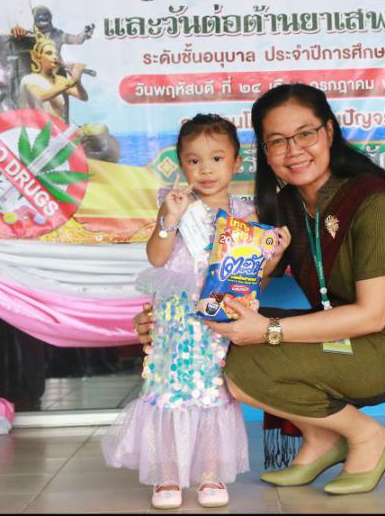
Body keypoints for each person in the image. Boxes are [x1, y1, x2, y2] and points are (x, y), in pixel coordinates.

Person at [134, 84, 385, 495]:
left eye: (305, 134)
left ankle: (368, 436)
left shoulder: (370, 199)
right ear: (264, 151)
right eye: (277, 141)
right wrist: (163, 319)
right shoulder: (289, 204)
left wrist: (268, 330)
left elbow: (373, 315)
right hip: (340, 330)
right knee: (227, 345)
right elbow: (237, 284)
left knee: (246, 368)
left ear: (329, 132)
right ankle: (321, 437)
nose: (293, 150)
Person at [101, 114, 290, 510]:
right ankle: (166, 475)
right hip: (175, 319)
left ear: (236, 163)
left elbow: (255, 276)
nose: (206, 169)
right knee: (170, 390)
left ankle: (210, 473)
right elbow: (156, 257)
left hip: (218, 318)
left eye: (217, 158)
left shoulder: (247, 215)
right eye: (194, 160)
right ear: (181, 164)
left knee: (213, 391)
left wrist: (274, 256)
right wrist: (169, 218)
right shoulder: (175, 205)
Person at [19, 36, 87, 122]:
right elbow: (40, 96)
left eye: (56, 54)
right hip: (37, 129)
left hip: (59, 128)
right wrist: (72, 81)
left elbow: (83, 97)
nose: (55, 57)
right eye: (49, 53)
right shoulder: (29, 80)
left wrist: (78, 81)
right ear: (38, 57)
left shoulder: (60, 80)